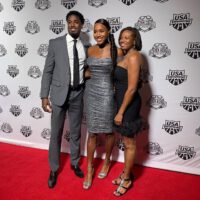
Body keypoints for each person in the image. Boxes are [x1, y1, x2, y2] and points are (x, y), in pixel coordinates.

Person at [40, 10, 90, 188]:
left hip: (78, 94)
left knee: (76, 132)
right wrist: (44, 96)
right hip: (60, 94)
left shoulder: (85, 44)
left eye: (76, 22)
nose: (72, 25)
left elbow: (85, 68)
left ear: (82, 24)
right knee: (56, 134)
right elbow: (47, 71)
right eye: (69, 22)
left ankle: (75, 163)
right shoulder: (56, 43)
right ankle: (54, 168)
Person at [83, 19, 123, 190]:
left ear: (108, 32)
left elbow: (123, 74)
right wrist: (85, 73)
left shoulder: (117, 51)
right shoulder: (89, 49)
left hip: (108, 95)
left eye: (101, 31)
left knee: (108, 131)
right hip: (90, 94)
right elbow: (82, 69)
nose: (98, 34)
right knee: (91, 133)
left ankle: (107, 162)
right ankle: (89, 169)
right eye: (95, 31)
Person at [112, 27, 143, 196]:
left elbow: (131, 89)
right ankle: (125, 173)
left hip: (128, 105)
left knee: (129, 143)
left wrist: (121, 112)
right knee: (126, 141)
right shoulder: (125, 55)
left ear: (134, 40)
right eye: (121, 37)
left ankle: (127, 179)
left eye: (126, 38)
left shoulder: (133, 56)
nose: (122, 40)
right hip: (122, 102)